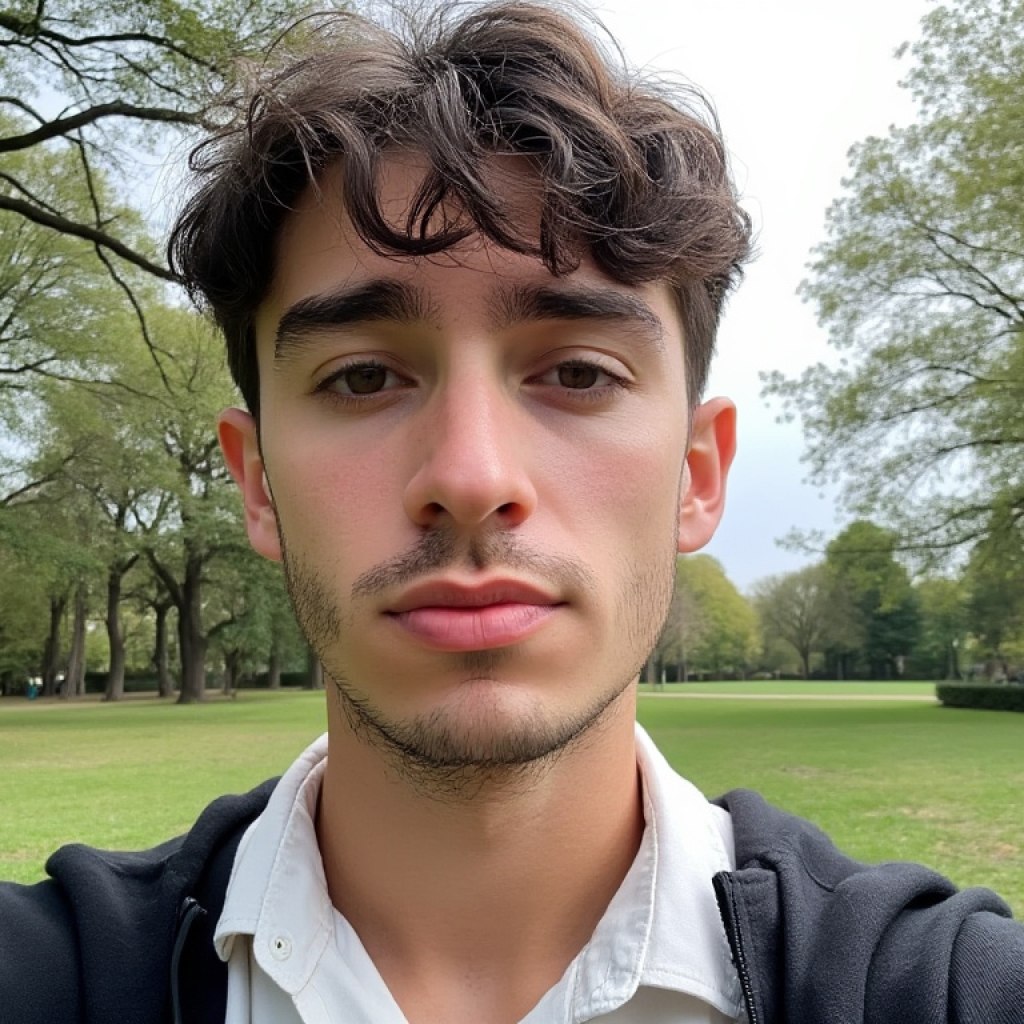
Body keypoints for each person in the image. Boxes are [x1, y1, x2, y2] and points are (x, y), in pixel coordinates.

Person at [1, 3, 1022, 1023]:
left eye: (578, 372)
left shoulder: (945, 990)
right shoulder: (48, 976)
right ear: (259, 482)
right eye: (363, 377)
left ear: (697, 474)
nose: (471, 475)